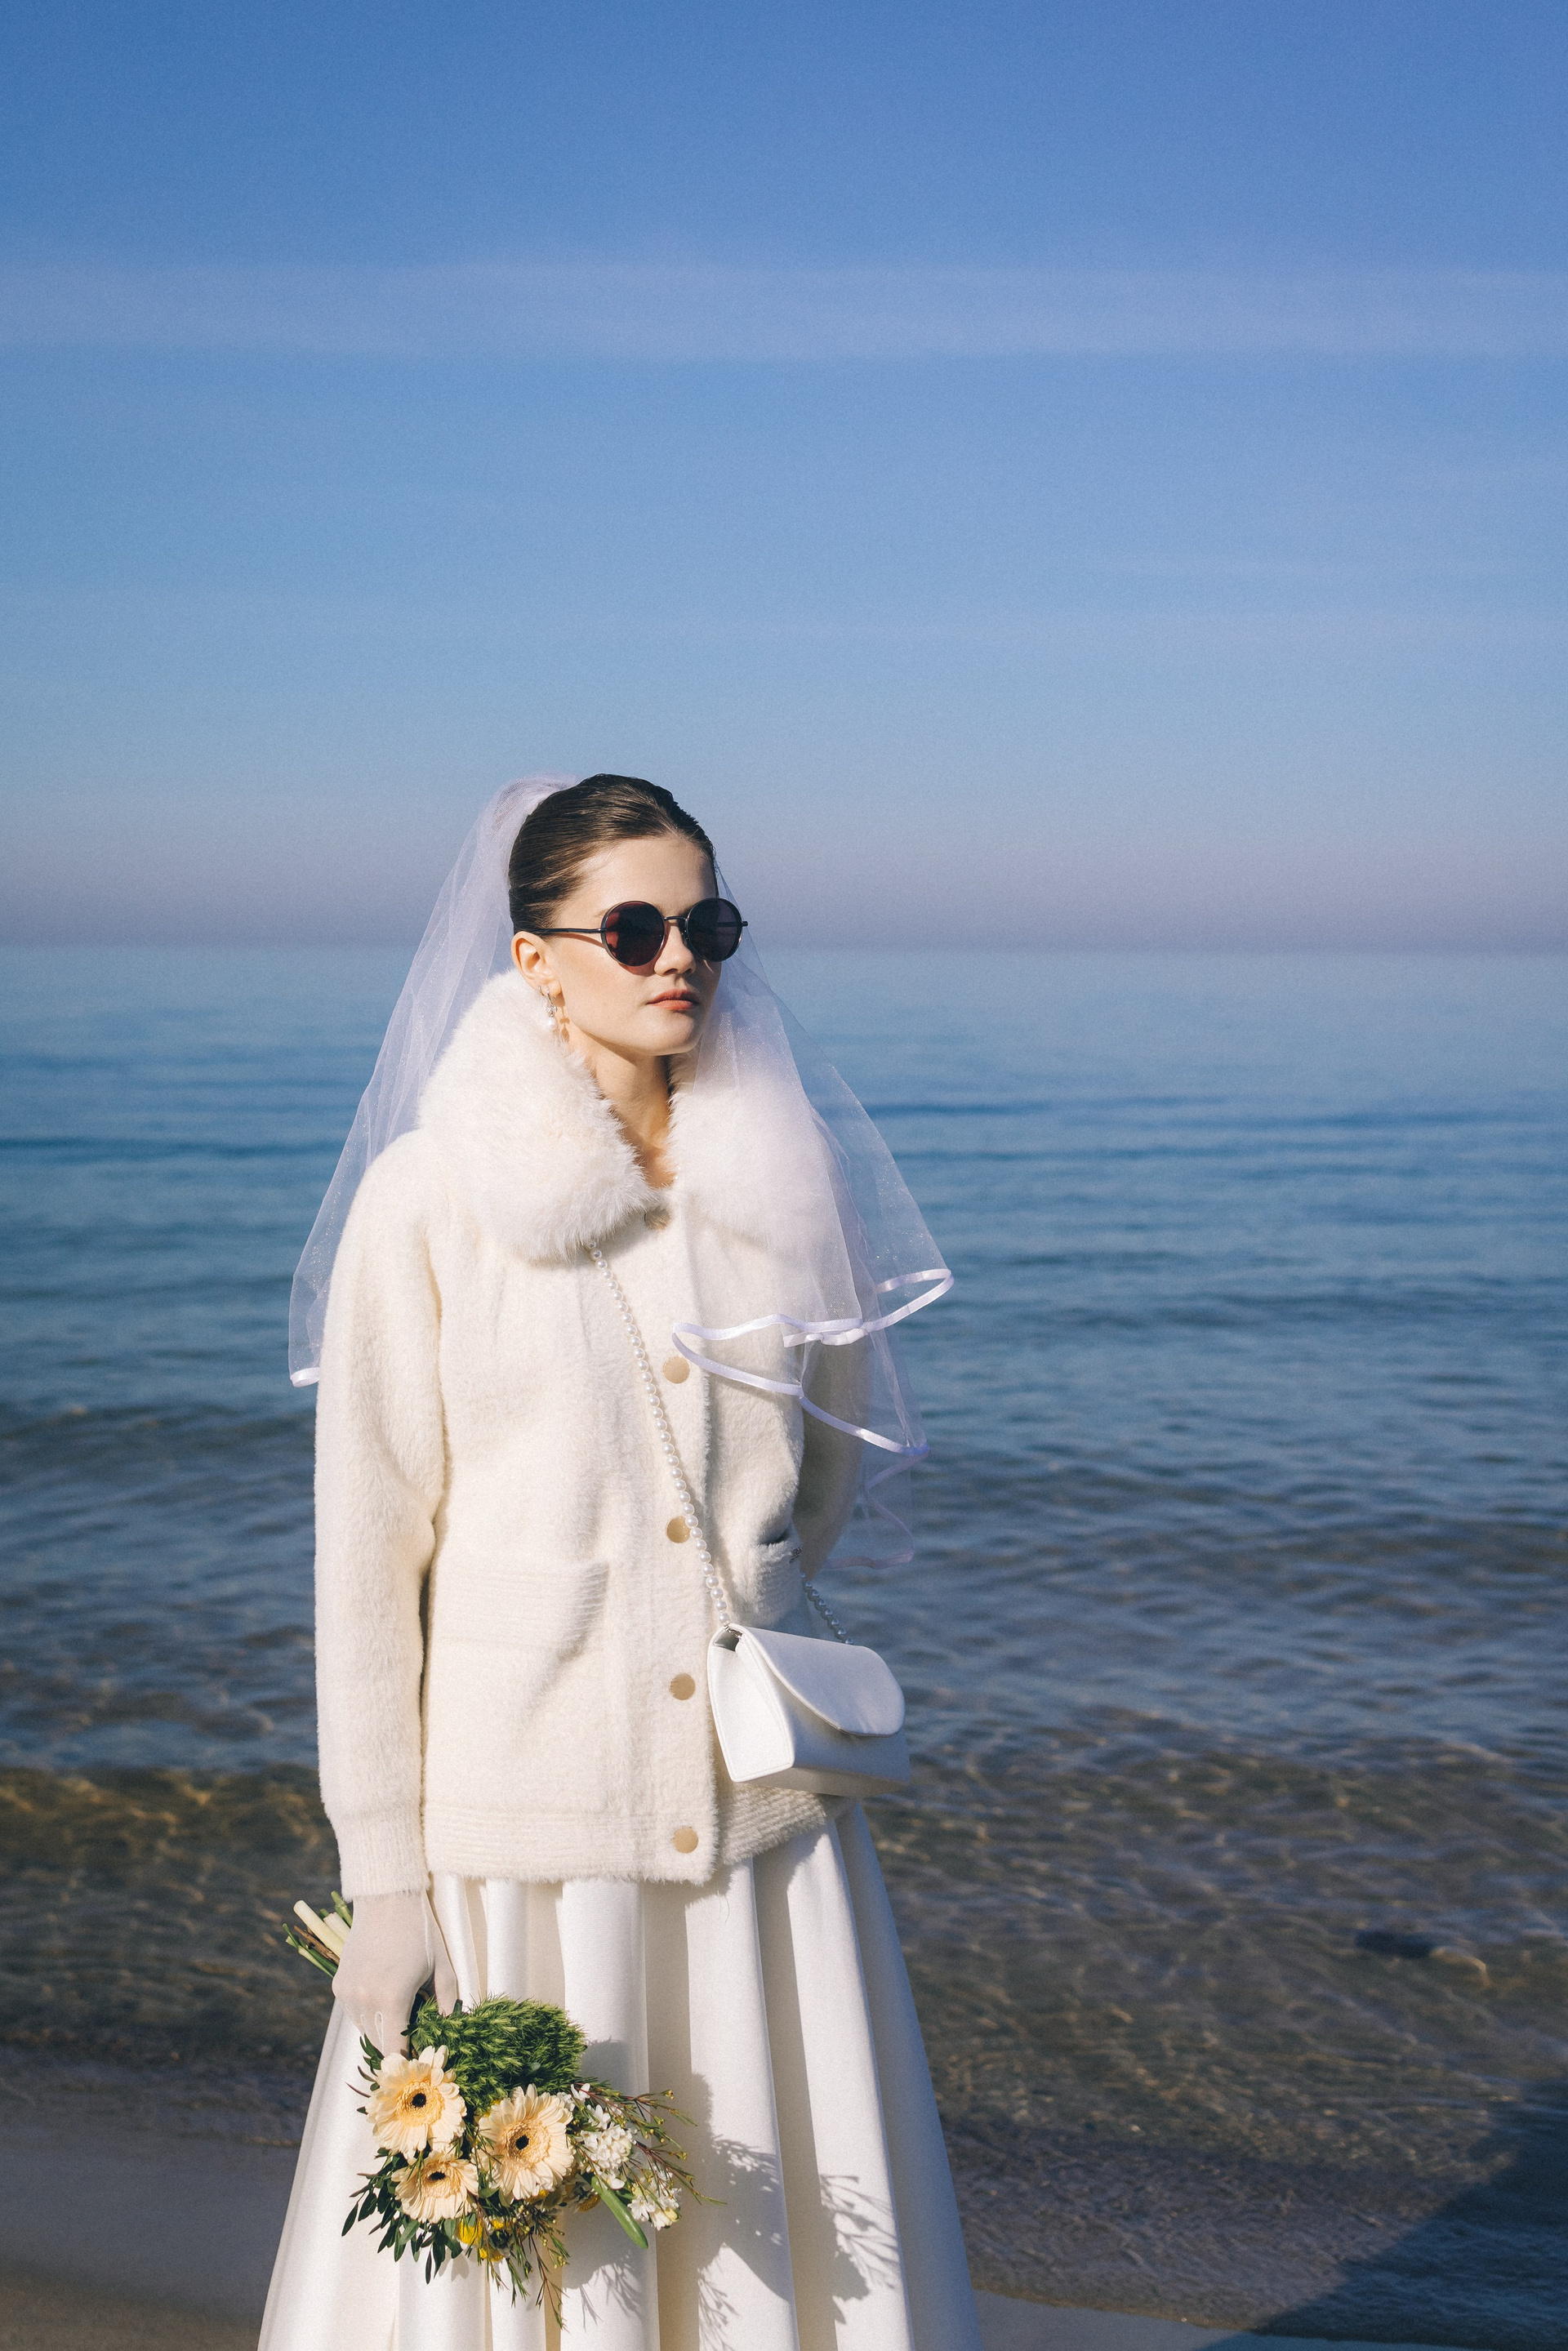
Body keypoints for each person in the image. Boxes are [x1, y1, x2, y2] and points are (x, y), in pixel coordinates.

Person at [261, 775, 981, 2349]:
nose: (681, 960)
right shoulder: (430, 1199)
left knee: (772, 2244)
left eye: (707, 925)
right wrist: (384, 1881)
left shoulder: (780, 1183)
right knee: (545, 2262)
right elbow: (367, 1562)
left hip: (760, 1822)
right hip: (528, 1837)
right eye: (636, 927)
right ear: (535, 958)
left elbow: (812, 1492)